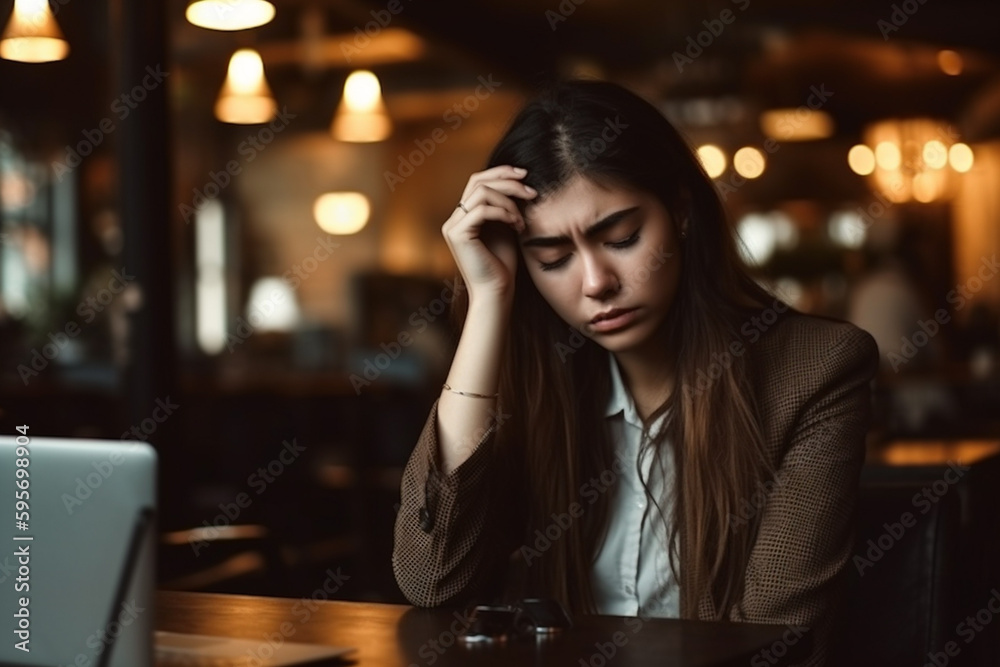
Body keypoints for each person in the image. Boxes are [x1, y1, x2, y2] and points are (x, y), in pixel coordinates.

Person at [392, 79, 878, 667]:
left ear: (680, 210)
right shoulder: (538, 383)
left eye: (621, 238)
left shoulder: (815, 370)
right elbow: (432, 581)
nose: (595, 282)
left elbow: (775, 645)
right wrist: (490, 296)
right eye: (553, 258)